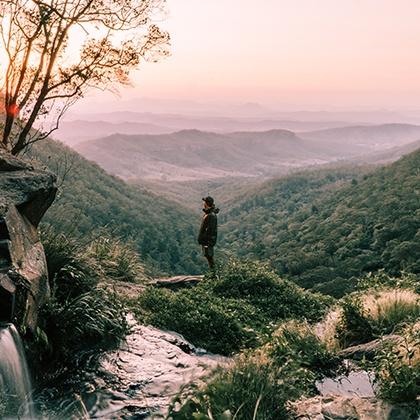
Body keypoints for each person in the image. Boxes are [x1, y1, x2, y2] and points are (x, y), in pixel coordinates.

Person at [197, 196, 219, 270]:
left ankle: (213, 276)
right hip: (207, 241)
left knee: (209, 258)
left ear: (206, 203)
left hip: (208, 242)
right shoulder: (209, 214)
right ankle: (213, 275)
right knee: (208, 257)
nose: (203, 204)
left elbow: (210, 231)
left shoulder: (211, 216)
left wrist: (206, 241)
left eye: (204, 202)